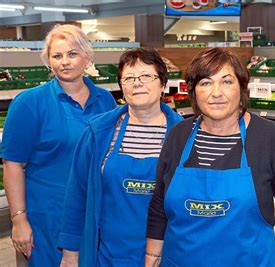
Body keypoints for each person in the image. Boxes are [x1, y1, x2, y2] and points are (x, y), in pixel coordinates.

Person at [145, 47, 275, 266]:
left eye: (226, 81)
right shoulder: (178, 136)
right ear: (193, 91)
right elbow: (159, 205)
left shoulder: (268, 137)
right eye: (205, 83)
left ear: (241, 88)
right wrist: (152, 257)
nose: (216, 92)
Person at [2, 24, 117, 266]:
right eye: (57, 55)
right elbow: (13, 165)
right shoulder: (29, 103)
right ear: (49, 61)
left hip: (92, 213)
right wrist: (19, 220)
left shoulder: (105, 100)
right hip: (47, 215)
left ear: (87, 58)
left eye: (72, 54)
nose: (64, 61)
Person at [58, 47, 183, 266]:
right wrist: (71, 252)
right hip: (109, 255)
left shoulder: (183, 135)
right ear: (122, 88)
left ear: (162, 83)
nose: (137, 83)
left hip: (167, 254)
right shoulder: (99, 132)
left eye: (146, 76)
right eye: (129, 78)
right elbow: (77, 193)